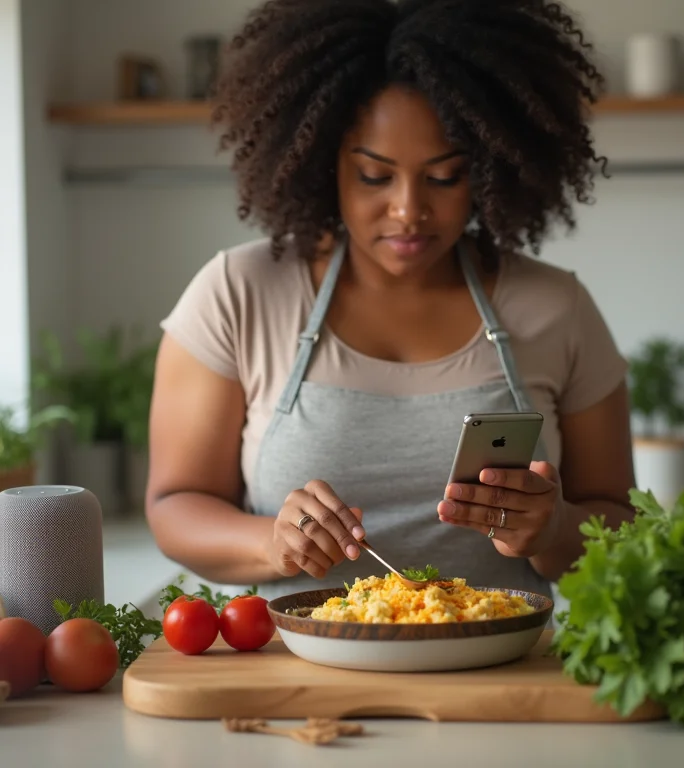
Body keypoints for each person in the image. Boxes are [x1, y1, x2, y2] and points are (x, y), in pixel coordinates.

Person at [145, 0, 636, 603]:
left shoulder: (558, 309)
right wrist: (270, 541)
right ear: (324, 163)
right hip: (296, 680)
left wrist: (555, 528)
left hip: (499, 680)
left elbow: (621, 521)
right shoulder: (238, 293)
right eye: (376, 176)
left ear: (487, 168)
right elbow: (174, 506)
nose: (409, 210)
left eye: (444, 176)